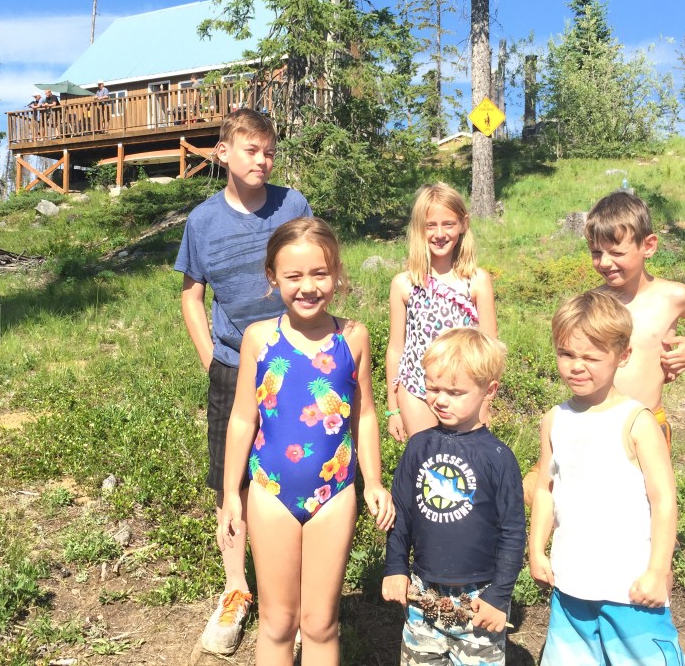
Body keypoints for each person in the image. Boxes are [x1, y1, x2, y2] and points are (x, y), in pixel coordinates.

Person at [219, 217, 395, 665]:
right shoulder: (259, 340)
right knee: (278, 623)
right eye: (294, 276)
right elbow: (242, 419)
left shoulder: (352, 337)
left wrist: (372, 481)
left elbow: (366, 413)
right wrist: (230, 495)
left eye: (320, 273)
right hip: (269, 491)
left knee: (320, 623)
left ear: (336, 273)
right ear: (273, 277)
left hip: (334, 494)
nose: (308, 286)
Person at [174, 108, 312, 656]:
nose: (262, 160)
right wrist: (212, 357)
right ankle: (237, 589)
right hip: (233, 365)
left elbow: (313, 269)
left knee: (297, 467)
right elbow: (191, 295)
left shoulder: (292, 206)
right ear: (223, 153)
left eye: (269, 151)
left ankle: (296, 598)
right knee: (230, 479)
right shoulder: (201, 222)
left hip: (294, 361)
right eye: (251, 150)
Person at [522, 190, 685, 502]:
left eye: (616, 252)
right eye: (596, 253)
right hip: (595, 417)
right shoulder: (595, 304)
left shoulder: (673, 296)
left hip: (646, 422)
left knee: (647, 498)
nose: (605, 262)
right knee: (586, 496)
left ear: (648, 246)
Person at [528, 290, 685, 666]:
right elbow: (545, 490)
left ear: (623, 355)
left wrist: (658, 570)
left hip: (630, 589)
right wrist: (537, 549)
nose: (576, 366)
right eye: (566, 354)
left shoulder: (638, 421)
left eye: (591, 357)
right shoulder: (555, 419)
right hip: (571, 586)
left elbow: (663, 499)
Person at [382, 328, 525, 666]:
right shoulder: (418, 446)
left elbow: (512, 532)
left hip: (479, 598)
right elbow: (400, 512)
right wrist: (395, 567)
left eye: (455, 391)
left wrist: (499, 596)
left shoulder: (498, 457)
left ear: (489, 390)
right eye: (433, 388)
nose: (440, 399)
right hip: (422, 593)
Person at [386, 183, 498, 442]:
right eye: (430, 225)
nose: (439, 233)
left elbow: (490, 347)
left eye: (448, 224)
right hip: (416, 388)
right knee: (426, 458)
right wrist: (393, 408)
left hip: (465, 389)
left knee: (466, 458)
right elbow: (395, 348)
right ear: (418, 229)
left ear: (463, 224)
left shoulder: (476, 281)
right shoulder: (405, 284)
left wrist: (485, 402)